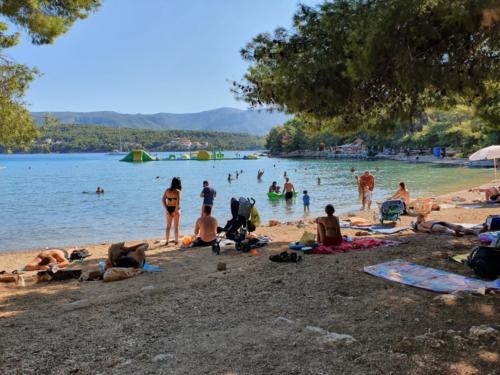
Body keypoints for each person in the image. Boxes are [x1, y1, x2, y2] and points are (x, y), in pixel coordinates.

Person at [162, 177, 182, 245]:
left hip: (169, 209)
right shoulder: (178, 191)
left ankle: (167, 241)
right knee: (176, 227)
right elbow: (178, 202)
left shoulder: (167, 190)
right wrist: (175, 211)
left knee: (168, 226)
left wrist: (166, 209)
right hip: (176, 209)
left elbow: (163, 200)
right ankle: (176, 241)